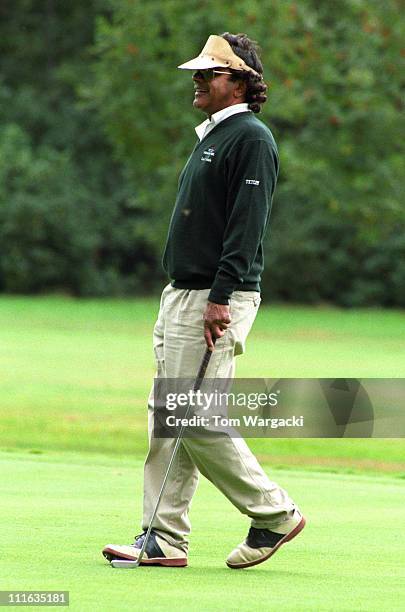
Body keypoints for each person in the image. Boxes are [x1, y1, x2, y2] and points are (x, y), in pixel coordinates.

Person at [103, 32, 305, 569]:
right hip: (184, 295)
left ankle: (274, 512)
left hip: (215, 298)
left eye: (210, 73)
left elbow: (248, 224)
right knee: (166, 418)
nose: (198, 79)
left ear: (240, 82)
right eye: (198, 71)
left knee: (191, 417)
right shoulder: (215, 136)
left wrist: (222, 295)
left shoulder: (250, 137)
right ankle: (164, 538)